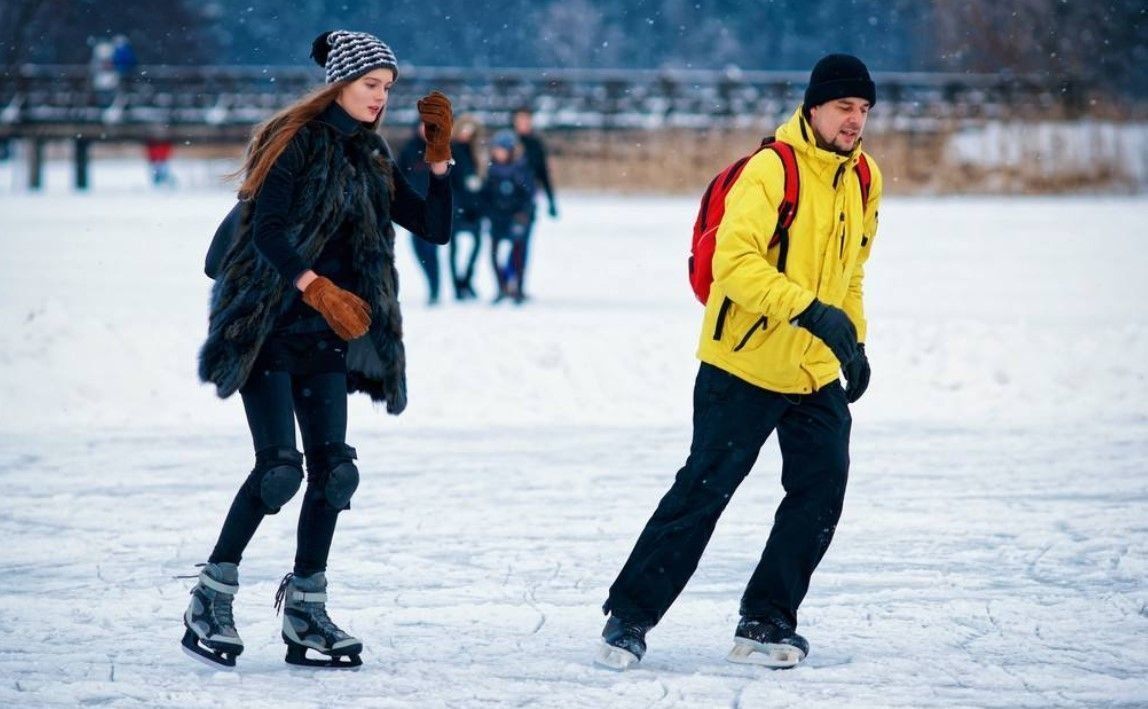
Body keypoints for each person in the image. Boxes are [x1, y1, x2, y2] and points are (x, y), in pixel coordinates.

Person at [597, 54, 883, 671]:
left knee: (820, 492)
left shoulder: (864, 178)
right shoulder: (772, 170)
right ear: (813, 107)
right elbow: (736, 265)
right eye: (843, 108)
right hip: (743, 364)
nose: (854, 121)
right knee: (704, 490)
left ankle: (766, 621)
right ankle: (629, 618)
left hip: (812, 371)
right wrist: (812, 313)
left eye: (863, 110)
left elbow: (851, 272)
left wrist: (851, 340)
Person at [185, 29, 453, 669]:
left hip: (327, 336)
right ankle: (211, 595)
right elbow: (269, 232)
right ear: (340, 83)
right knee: (280, 470)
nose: (381, 98)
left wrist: (438, 160)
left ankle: (306, 608)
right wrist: (315, 286)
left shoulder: (371, 154)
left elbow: (436, 229)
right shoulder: (297, 142)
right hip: (269, 324)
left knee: (335, 473)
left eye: (387, 88)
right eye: (370, 85)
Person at [480, 130, 535, 304]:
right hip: (497, 218)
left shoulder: (521, 170)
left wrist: (522, 214)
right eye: (497, 150)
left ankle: (518, 289)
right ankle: (501, 288)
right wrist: (488, 212)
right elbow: (485, 196)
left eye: (502, 150)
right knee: (495, 254)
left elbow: (528, 195)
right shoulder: (491, 171)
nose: (499, 153)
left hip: (516, 218)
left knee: (518, 254)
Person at [510, 106, 558, 299]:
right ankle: (506, 282)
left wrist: (551, 200)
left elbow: (543, 174)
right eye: (520, 120)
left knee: (522, 243)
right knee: (510, 242)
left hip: (527, 200)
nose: (523, 124)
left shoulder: (536, 144)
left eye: (526, 120)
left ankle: (518, 285)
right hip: (505, 200)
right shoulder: (507, 142)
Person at [398, 121, 443, 305]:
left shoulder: (441, 149)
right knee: (418, 249)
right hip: (415, 207)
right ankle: (431, 282)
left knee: (430, 249)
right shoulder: (409, 149)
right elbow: (399, 176)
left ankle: (435, 287)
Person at [448, 114, 483, 300]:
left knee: (476, 244)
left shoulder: (476, 151)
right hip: (456, 205)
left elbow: (480, 178)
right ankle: (457, 285)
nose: (466, 134)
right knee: (454, 248)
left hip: (473, 206)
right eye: (464, 129)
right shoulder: (450, 150)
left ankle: (466, 280)